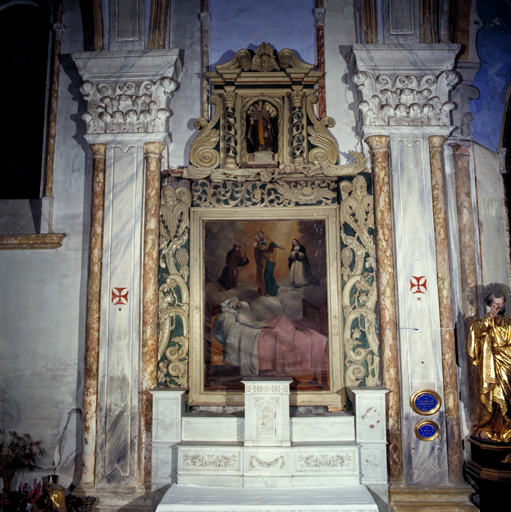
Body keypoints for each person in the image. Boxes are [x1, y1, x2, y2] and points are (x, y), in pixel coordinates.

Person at [212, 298, 328, 378]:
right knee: (289, 337)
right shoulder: (232, 319)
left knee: (282, 322)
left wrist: (238, 305)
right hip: (257, 333)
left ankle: (308, 335)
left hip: (257, 327)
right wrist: (265, 325)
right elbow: (250, 323)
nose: (239, 304)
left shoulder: (232, 310)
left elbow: (251, 319)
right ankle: (314, 339)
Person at [468, 288, 511, 441]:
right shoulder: (482, 321)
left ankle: (507, 428)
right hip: (492, 367)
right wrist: (488, 321)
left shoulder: (509, 322)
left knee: (507, 398)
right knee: (494, 398)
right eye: (496, 305)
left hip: (508, 366)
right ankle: (491, 427)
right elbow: (477, 334)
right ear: (490, 305)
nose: (499, 307)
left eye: (501, 304)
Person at [253, 231, 283, 297]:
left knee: (268, 275)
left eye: (261, 235)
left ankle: (269, 292)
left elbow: (272, 244)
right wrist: (259, 248)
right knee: (264, 276)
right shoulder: (258, 242)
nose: (260, 236)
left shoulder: (268, 240)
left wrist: (278, 246)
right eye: (259, 235)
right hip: (262, 261)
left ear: (263, 234)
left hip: (269, 260)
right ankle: (271, 289)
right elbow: (256, 251)